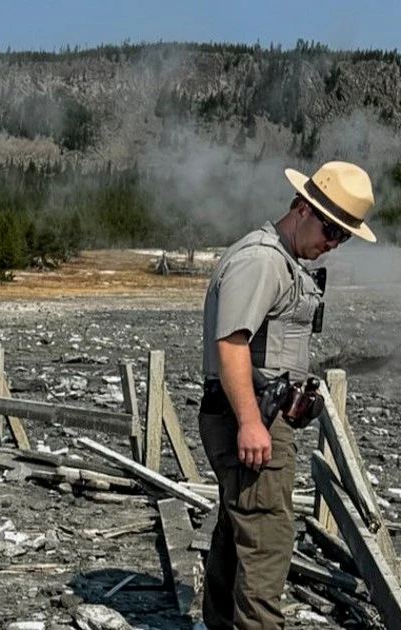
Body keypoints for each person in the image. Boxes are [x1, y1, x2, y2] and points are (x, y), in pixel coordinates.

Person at [198, 160, 378, 629]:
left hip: (260, 411)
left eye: (343, 237)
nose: (332, 244)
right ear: (302, 207)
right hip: (252, 414)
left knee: (240, 529)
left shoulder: (282, 259)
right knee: (267, 539)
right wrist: (252, 422)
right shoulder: (262, 260)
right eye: (330, 229)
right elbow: (232, 342)